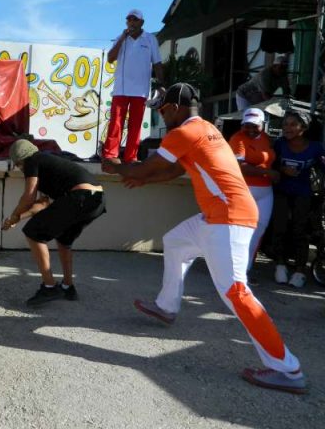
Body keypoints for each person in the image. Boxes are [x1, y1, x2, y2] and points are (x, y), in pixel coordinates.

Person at [102, 83, 306, 394]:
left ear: (175, 107)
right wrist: (142, 179)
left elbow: (146, 168)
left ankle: (288, 369)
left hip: (228, 217)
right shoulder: (207, 129)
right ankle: (167, 306)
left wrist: (115, 167)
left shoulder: (182, 133)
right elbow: (171, 172)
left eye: (163, 108)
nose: (160, 112)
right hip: (218, 215)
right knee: (175, 241)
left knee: (236, 292)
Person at [2, 140, 106, 306]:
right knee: (64, 240)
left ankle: (49, 286)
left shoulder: (32, 160)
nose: (20, 169)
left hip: (81, 197)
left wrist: (15, 214)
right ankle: (68, 287)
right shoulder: (46, 163)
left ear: (20, 161)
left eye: (18, 165)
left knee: (33, 233)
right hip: (96, 201)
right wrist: (17, 219)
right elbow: (43, 204)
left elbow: (29, 197)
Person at [270, 110, 325, 288]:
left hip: (304, 194)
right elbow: (271, 164)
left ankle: (300, 271)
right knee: (279, 227)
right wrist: (282, 169)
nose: (287, 128)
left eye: (293, 124)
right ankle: (279, 265)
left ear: (304, 127)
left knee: (300, 230)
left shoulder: (316, 147)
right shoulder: (279, 145)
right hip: (281, 192)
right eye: (285, 124)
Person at [102, 9, 164, 164]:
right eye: (129, 20)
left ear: (142, 22)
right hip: (121, 90)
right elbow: (110, 58)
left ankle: (131, 156)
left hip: (140, 91)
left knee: (135, 126)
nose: (131, 22)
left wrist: (162, 85)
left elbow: (157, 63)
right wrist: (123, 37)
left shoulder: (150, 39)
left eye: (135, 20)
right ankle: (110, 155)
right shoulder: (121, 39)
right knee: (116, 123)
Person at [228, 108, 278, 282]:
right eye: (246, 125)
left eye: (255, 126)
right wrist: (268, 173)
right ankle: (231, 270)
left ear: (262, 125)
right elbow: (239, 167)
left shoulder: (266, 139)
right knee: (239, 230)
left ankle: (244, 272)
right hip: (244, 190)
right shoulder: (237, 139)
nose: (250, 129)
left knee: (259, 231)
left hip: (265, 192)